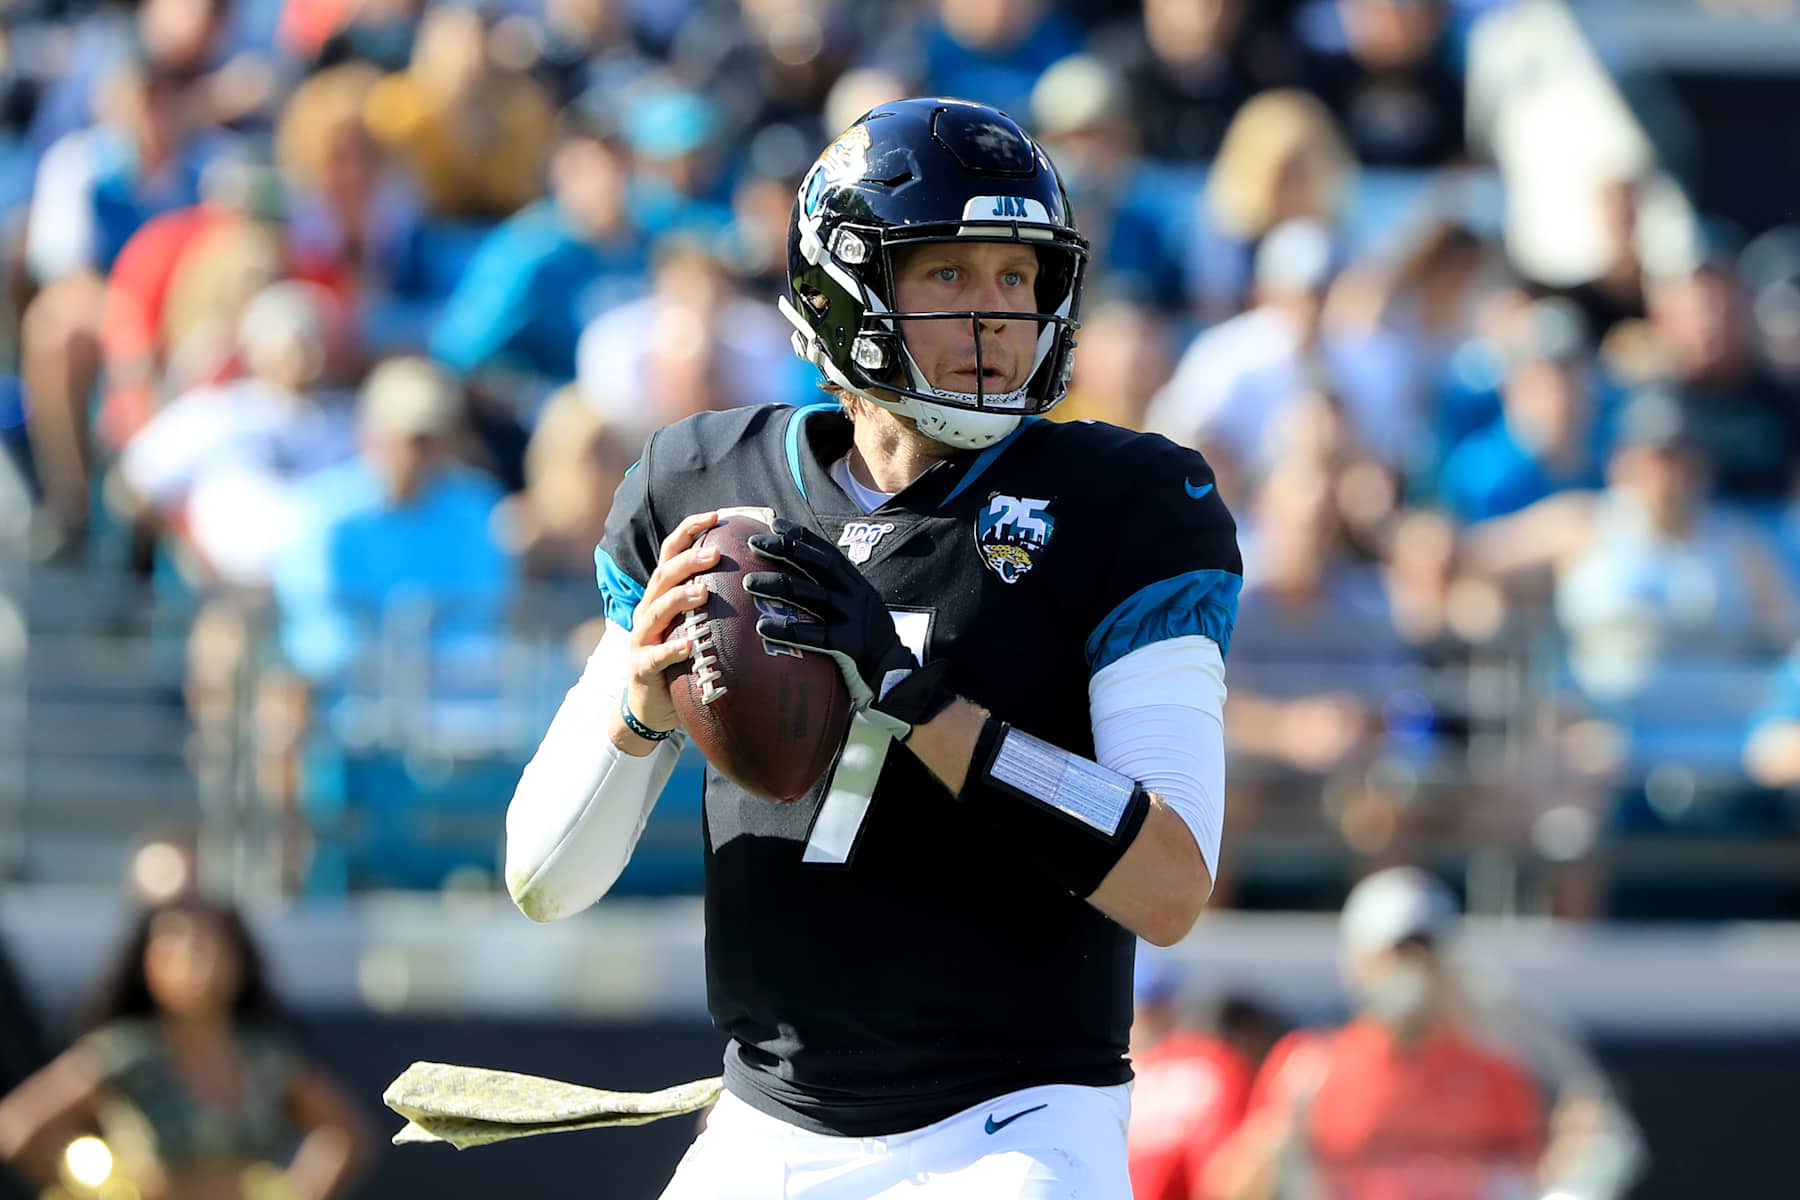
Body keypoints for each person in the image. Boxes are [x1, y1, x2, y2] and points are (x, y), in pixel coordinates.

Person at [504, 98, 1241, 1197]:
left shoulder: (1125, 501)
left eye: (1017, 277)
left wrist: (918, 703)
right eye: (948, 275)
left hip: (1017, 1127)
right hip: (766, 1122)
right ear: (840, 290)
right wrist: (639, 706)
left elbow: (1171, 884)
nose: (998, 315)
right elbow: (543, 880)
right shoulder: (703, 488)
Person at [1207, 868, 1547, 1200]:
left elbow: (1531, 1180)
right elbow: (1229, 1189)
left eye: (1424, 953)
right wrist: (1276, 1142)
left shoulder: (1496, 1075)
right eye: (1397, 953)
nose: (1412, 968)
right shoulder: (1310, 1068)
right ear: (1356, 961)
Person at [0, 897, 370, 1200]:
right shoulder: (125, 1055)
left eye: (211, 946)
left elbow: (346, 1133)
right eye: (178, 947)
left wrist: (295, 1192)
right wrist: (98, 1183)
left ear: (237, 960)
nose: (197, 962)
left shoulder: (266, 1059)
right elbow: (16, 1129)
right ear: (149, 962)